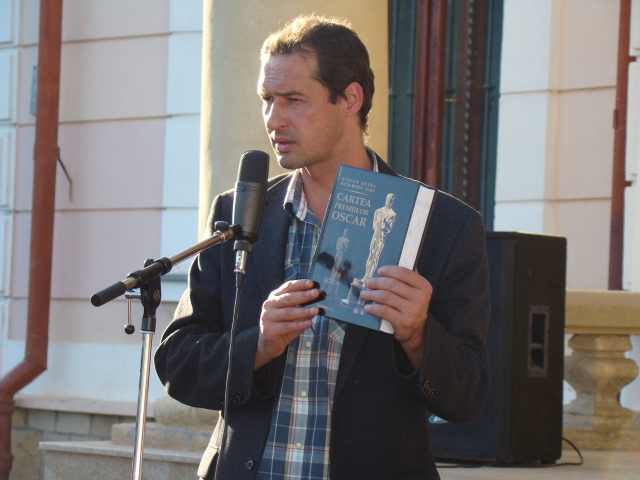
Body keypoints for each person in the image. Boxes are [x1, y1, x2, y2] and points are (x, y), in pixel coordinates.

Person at [154, 14, 490, 480]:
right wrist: (260, 344)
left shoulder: (443, 226)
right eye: (267, 100)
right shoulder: (239, 212)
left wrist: (418, 335)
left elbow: (468, 395)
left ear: (350, 98)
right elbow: (178, 362)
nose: (274, 119)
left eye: (294, 100)